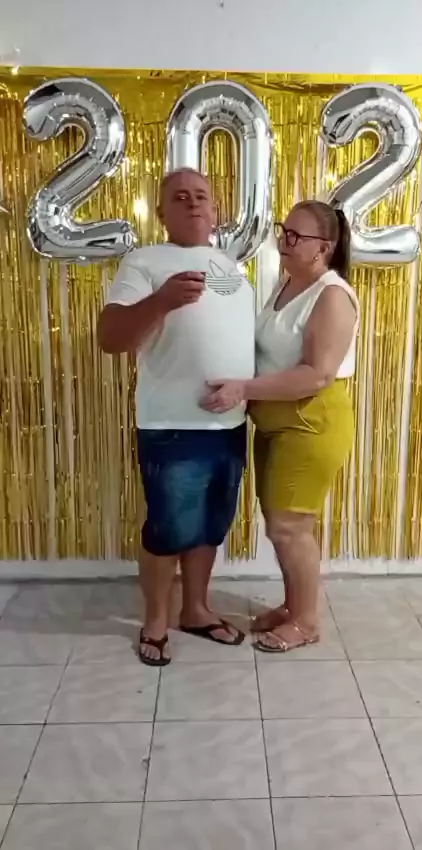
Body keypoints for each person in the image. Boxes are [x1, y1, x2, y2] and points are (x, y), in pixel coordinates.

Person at [97, 168, 255, 665]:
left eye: (201, 196)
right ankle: (156, 621)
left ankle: (196, 609)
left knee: (210, 524)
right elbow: (110, 338)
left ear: (216, 210)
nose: (192, 203)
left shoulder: (232, 268)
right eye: (179, 197)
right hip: (172, 426)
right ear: (162, 213)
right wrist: (162, 300)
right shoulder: (144, 261)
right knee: (168, 530)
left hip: (230, 425)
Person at [201, 200, 359, 652]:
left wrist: (243, 389)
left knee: (292, 527)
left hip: (311, 422)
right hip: (275, 424)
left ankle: (306, 622)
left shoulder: (332, 295)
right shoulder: (287, 283)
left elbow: (317, 375)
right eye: (282, 231)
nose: (283, 241)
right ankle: (293, 607)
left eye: (296, 236)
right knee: (280, 524)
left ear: (323, 248)